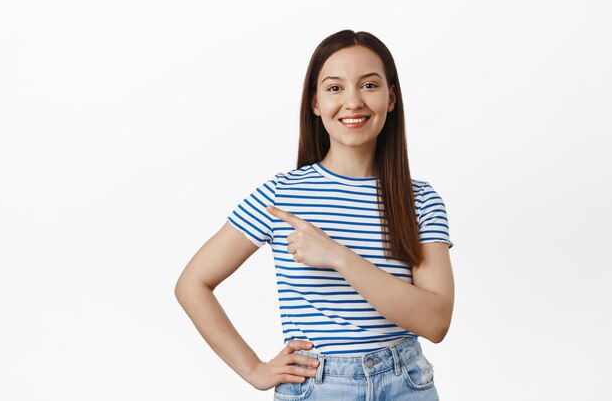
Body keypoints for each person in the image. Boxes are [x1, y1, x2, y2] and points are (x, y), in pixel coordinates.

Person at [174, 29, 454, 400]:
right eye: (335, 88)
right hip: (319, 386)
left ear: (391, 98)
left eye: (369, 85)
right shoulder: (281, 194)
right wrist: (255, 369)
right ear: (315, 103)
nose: (353, 102)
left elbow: (435, 322)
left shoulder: (420, 200)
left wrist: (338, 256)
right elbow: (192, 284)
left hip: (406, 385)